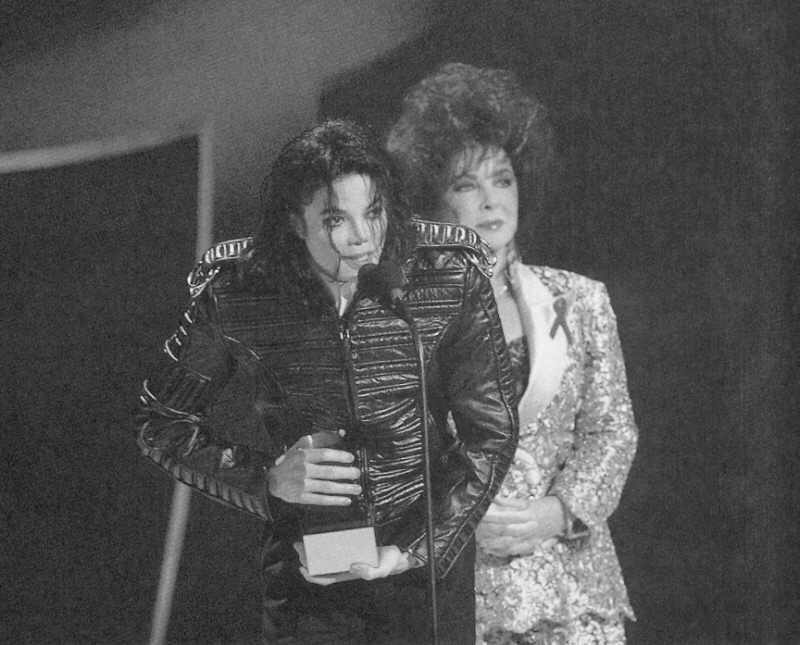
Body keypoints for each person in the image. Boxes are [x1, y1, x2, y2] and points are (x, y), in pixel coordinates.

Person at [135, 119, 518, 644]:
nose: (363, 237)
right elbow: (161, 422)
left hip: (420, 570)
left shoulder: (447, 272)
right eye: (337, 219)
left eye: (374, 212)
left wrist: (415, 549)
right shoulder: (238, 289)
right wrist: (266, 480)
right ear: (296, 221)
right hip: (308, 577)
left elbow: (490, 434)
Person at [387, 63, 638, 644]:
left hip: (574, 596)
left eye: (502, 180)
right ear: (432, 199)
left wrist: (559, 511)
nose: (490, 201)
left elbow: (612, 431)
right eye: (466, 185)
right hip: (459, 599)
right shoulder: (399, 319)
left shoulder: (579, 300)